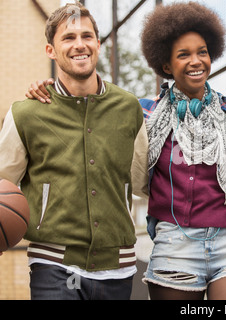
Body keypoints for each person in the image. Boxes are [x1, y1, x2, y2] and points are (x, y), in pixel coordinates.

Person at [0, 2, 149, 300]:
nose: (79, 44)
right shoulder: (26, 113)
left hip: (117, 267)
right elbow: (2, 181)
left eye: (86, 36)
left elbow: (144, 181)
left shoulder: (129, 107)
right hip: (52, 264)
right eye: (68, 38)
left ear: (97, 43)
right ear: (50, 51)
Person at [138, 2, 226, 300]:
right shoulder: (145, 114)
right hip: (174, 245)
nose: (196, 61)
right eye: (184, 54)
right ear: (166, 66)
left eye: (202, 52)